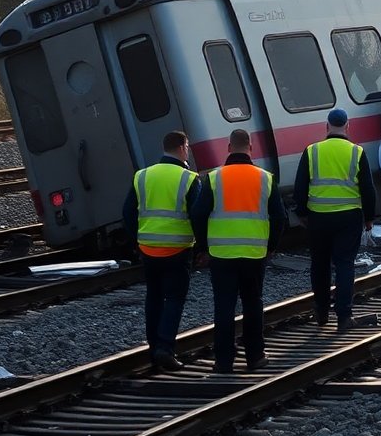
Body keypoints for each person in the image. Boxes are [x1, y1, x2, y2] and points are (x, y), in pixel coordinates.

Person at [190, 129, 287, 373]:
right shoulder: (265, 178)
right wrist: (271, 247)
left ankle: (223, 361)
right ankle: (255, 356)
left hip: (221, 254)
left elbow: (198, 214)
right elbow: (279, 217)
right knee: (253, 303)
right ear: (251, 147)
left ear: (228, 147)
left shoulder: (214, 178)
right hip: (254, 253)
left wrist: (203, 247)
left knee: (224, 306)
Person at [123, 130, 202, 371]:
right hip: (177, 249)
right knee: (174, 298)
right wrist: (203, 247)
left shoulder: (142, 176)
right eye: (187, 147)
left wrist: (137, 242)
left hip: (148, 249)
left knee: (154, 297)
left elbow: (128, 213)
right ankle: (165, 348)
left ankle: (153, 349)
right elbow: (198, 216)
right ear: (182, 147)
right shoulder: (188, 178)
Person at [295, 108, 376, 331]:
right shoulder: (356, 152)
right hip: (348, 217)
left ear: (326, 126)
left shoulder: (312, 151)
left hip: (318, 217)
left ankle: (321, 312)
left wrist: (302, 213)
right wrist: (369, 218)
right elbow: (368, 189)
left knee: (319, 265)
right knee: (344, 264)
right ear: (348, 127)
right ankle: (344, 317)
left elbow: (300, 186)